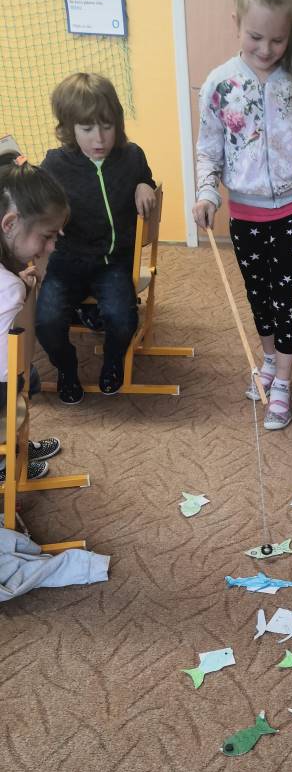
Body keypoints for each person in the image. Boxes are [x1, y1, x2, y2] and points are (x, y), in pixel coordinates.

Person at [193, 0, 292, 430]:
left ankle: (283, 382)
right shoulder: (219, 85)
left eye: (278, 40)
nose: (266, 49)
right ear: (236, 23)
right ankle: (270, 360)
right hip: (246, 214)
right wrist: (206, 194)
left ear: (290, 32)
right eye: (255, 37)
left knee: (287, 298)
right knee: (259, 297)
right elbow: (208, 151)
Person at [36, 73, 156, 403]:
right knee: (46, 323)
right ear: (69, 128)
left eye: (106, 126)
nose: (99, 138)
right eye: (87, 128)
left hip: (112, 262)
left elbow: (146, 177)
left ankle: (113, 362)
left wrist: (144, 184)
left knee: (123, 320)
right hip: (67, 261)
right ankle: (67, 368)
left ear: (117, 123)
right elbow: (37, 204)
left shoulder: (132, 156)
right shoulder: (54, 164)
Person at [0, 148, 67, 480]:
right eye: (47, 236)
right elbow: (10, 369)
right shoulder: (9, 288)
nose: (52, 246)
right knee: (28, 378)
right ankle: (6, 458)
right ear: (10, 224)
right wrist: (26, 295)